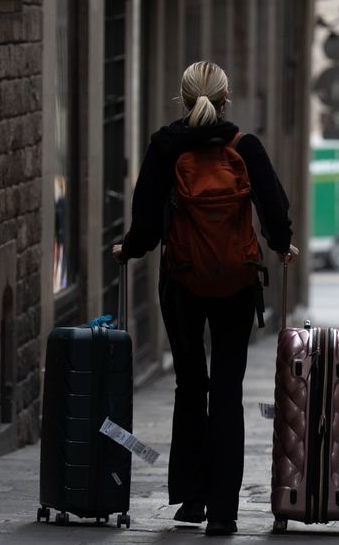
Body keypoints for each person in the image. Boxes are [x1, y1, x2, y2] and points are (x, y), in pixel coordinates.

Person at [113, 61, 297, 536]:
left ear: (182, 97)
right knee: (229, 391)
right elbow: (275, 210)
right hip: (236, 283)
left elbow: (148, 223)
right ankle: (223, 511)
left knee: (191, 386)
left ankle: (191, 500)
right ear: (225, 99)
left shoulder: (165, 146)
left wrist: (127, 249)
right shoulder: (245, 147)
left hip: (183, 281)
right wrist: (281, 244)